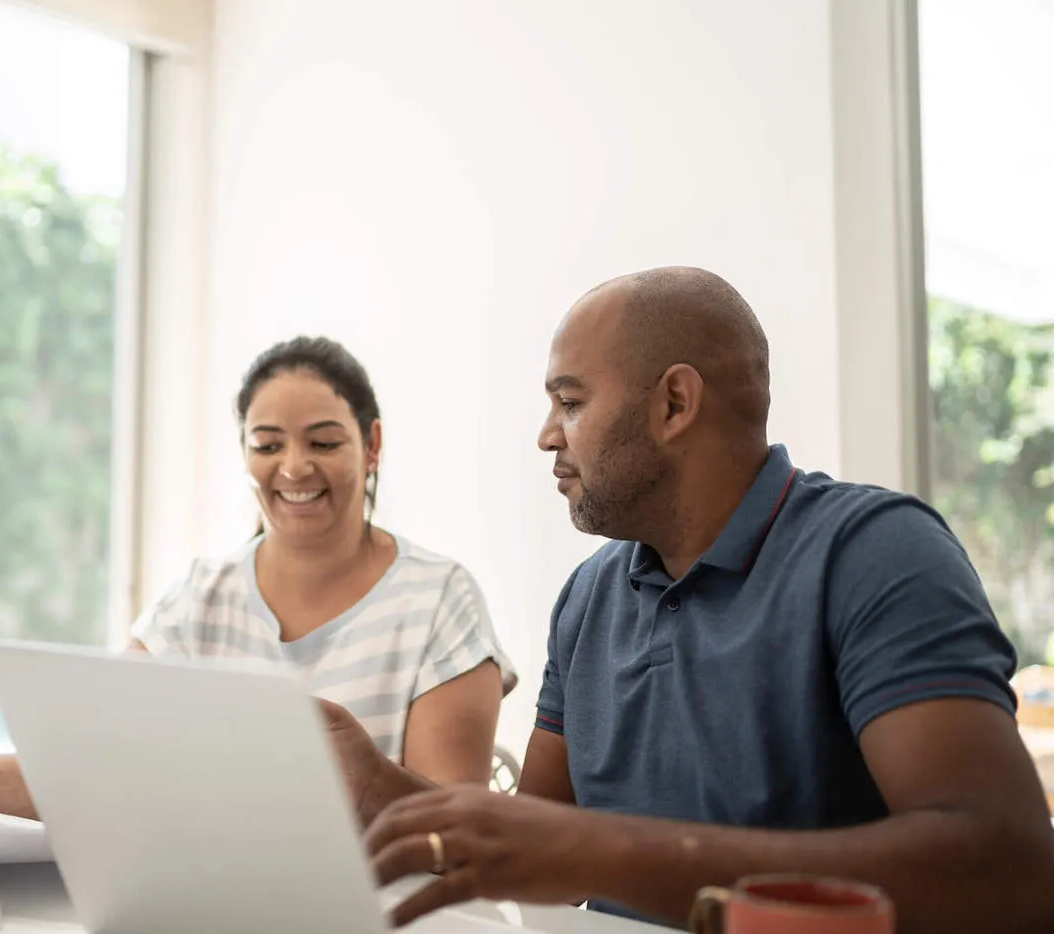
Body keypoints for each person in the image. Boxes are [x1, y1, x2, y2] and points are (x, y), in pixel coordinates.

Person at [328, 267, 1054, 933]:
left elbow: (1005, 867)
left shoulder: (875, 552)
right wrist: (378, 792)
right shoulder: (589, 596)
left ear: (675, 403)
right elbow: (535, 850)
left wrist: (604, 851)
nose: (548, 435)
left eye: (571, 402)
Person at [0, 335, 517, 835]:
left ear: (371, 445)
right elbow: (100, 760)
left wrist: (369, 778)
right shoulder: (199, 597)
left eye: (323, 441)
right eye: (267, 444)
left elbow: (459, 832)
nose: (294, 467)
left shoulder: (438, 598)